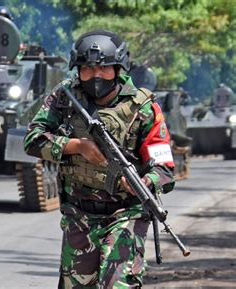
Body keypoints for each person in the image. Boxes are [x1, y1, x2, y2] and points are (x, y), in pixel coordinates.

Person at [24, 29, 176, 288]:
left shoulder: (143, 107)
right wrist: (76, 146)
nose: (95, 76)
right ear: (77, 70)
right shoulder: (64, 99)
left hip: (125, 213)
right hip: (79, 215)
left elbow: (165, 168)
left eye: (104, 69)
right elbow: (32, 140)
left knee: (118, 285)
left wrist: (146, 182)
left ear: (118, 68)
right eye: (87, 69)